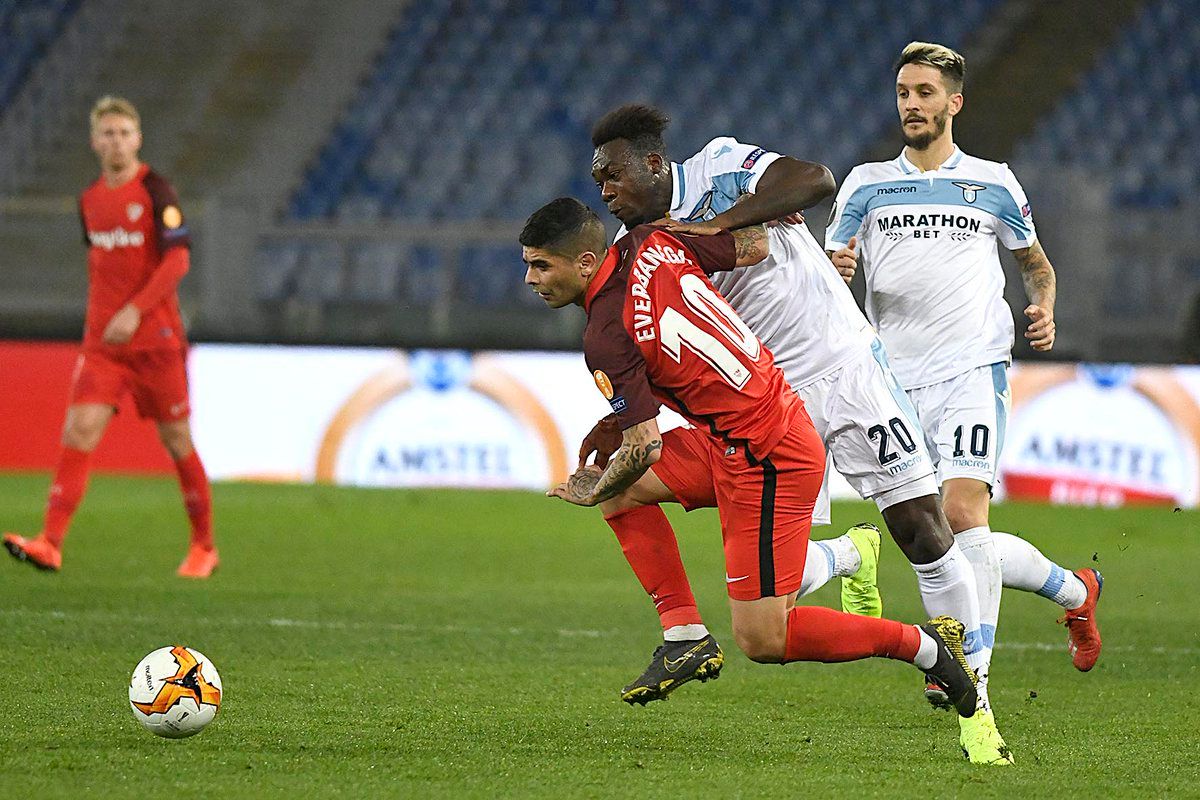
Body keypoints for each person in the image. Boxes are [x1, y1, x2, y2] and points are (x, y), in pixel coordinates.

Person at [582, 104, 1004, 762]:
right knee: (769, 583)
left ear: (656, 164)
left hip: (843, 366)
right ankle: (846, 558)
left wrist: (711, 227)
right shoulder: (632, 255)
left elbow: (813, 178)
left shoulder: (721, 167)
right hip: (766, 404)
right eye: (597, 181)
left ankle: (968, 680)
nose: (604, 191)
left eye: (612, 175)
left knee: (921, 525)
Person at [521, 196, 979, 728]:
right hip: (747, 429)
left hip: (766, 457)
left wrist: (587, 489)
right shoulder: (653, 241)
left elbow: (643, 445)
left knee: (764, 637)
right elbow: (754, 245)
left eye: (541, 264)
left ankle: (923, 648)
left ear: (583, 262)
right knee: (628, 492)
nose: (530, 278)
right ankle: (684, 637)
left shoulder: (605, 335)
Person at [826, 41, 1104, 761]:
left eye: (924, 92)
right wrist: (840, 267)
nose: (912, 104)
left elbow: (1036, 267)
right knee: (934, 533)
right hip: (893, 378)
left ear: (954, 102)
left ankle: (968, 679)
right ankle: (1075, 591)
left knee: (960, 514)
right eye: (903, 93)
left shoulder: (994, 184)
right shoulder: (865, 185)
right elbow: (831, 275)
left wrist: (1043, 306)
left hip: (973, 369)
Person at [3, 96, 217, 579]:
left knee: (177, 439)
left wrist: (134, 311)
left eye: (124, 133)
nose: (116, 141)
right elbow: (104, 269)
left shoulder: (157, 191)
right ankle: (49, 543)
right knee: (78, 431)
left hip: (156, 341)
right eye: (108, 134)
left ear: (138, 138)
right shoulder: (89, 201)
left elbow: (177, 260)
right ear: (94, 141)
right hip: (103, 345)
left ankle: (204, 546)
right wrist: (103, 320)